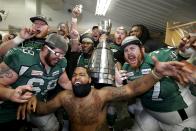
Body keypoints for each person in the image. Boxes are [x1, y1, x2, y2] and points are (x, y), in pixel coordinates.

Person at [17, 59, 191, 131]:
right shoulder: (65, 97)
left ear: (90, 81)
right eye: (74, 75)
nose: (77, 77)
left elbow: (131, 90)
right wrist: (31, 98)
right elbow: (42, 109)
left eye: (81, 74)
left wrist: (156, 74)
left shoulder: (102, 94)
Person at [117, 36, 196, 131]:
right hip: (150, 114)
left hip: (179, 117)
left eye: (132, 48)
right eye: (126, 50)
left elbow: (180, 53)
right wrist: (120, 85)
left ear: (142, 49)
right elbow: (130, 94)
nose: (129, 52)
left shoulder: (156, 56)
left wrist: (185, 51)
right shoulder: (126, 67)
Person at [0, 33, 71, 131]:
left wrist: (86, 89)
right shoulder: (22, 58)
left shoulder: (61, 62)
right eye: (58, 53)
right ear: (45, 48)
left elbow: (65, 82)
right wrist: (11, 94)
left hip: (37, 105)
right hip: (9, 107)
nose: (60, 58)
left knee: (53, 127)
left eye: (63, 55)